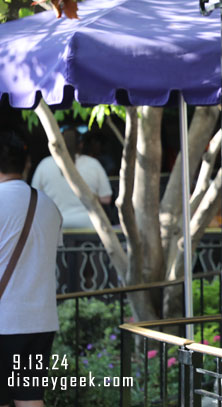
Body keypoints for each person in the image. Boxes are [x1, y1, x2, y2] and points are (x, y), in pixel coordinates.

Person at [0, 130, 63, 407]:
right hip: (40, 322)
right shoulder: (49, 206)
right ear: (26, 163)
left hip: (5, 321)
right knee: (30, 400)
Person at [31, 126, 113, 229]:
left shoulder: (45, 164)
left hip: (54, 226)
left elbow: (34, 198)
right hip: (89, 227)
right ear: (81, 145)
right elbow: (106, 199)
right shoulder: (93, 164)